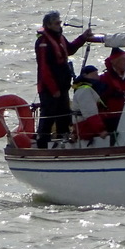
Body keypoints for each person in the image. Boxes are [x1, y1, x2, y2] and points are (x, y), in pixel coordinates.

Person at [35, 11, 94, 147]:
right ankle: (42, 145)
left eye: (59, 22)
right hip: (49, 88)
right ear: (48, 25)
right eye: (56, 23)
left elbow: (70, 49)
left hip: (62, 87)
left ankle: (64, 141)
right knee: (48, 116)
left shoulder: (59, 37)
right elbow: (44, 68)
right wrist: (53, 89)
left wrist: (83, 37)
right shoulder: (43, 43)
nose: (59, 25)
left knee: (64, 114)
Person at [98, 47, 125, 134]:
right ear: (115, 62)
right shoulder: (104, 79)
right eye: (122, 59)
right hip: (111, 117)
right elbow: (99, 100)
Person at [71, 65, 108, 142]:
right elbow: (90, 113)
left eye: (97, 74)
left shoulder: (88, 88)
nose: (97, 77)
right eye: (94, 75)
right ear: (85, 75)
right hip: (86, 128)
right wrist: (101, 130)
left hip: (87, 126)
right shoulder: (84, 91)